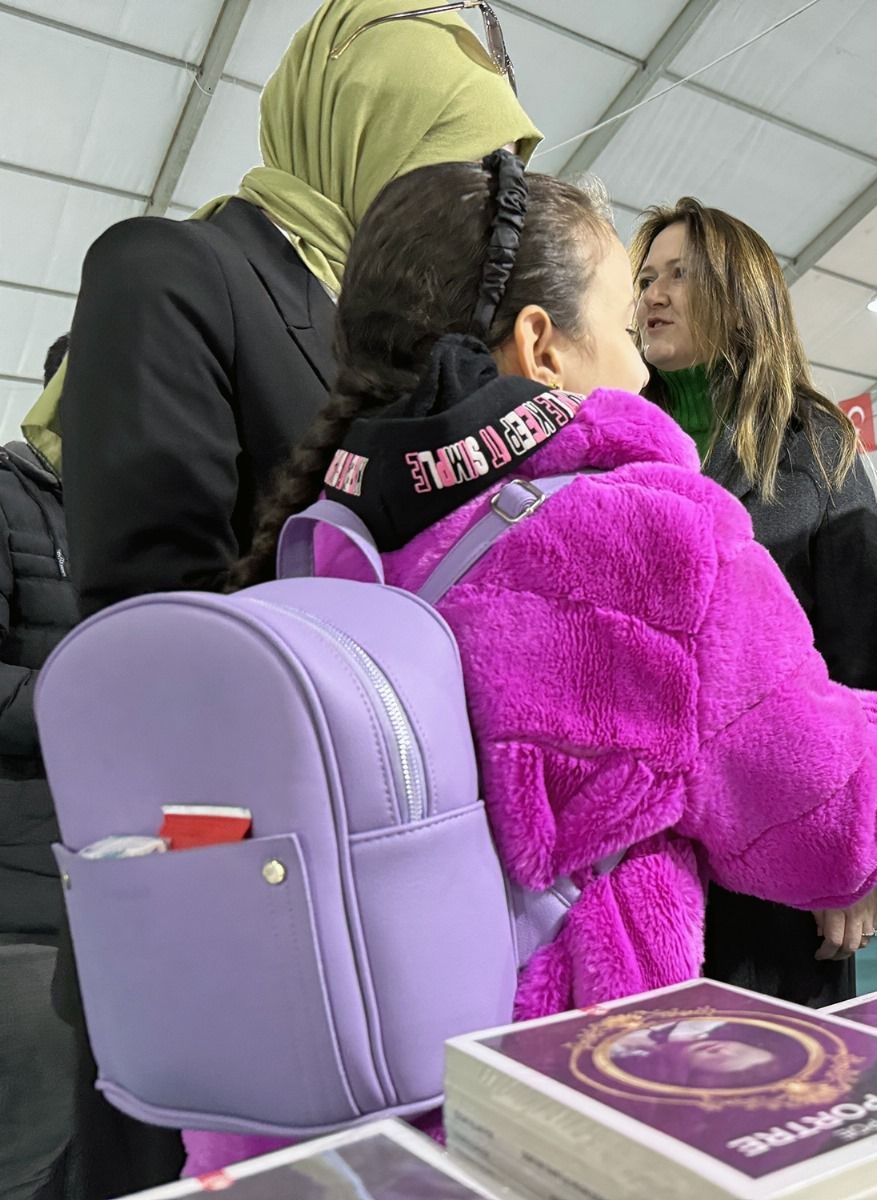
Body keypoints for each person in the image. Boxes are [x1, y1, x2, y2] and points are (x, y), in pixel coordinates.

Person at [199, 155, 877, 1173]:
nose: (637, 367)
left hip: (338, 1126)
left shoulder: (320, 544)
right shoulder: (651, 539)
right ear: (541, 343)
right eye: (623, 328)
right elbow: (838, 827)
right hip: (556, 1113)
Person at [37, 0, 538, 618]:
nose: (482, 213)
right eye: (467, 168)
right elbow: (156, 609)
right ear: (364, 132)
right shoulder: (169, 270)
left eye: (498, 187)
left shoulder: (416, 344)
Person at [631, 199, 877, 1007]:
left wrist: (855, 853)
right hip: (645, 858)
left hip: (779, 853)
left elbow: (864, 667)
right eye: (643, 279)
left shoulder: (815, 448)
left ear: (740, 296)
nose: (653, 295)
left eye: (680, 275)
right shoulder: (620, 440)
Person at [0, 345, 76, 1200]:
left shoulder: (167, 521)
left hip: (117, 898)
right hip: (21, 912)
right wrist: (92, 703)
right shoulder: (9, 499)